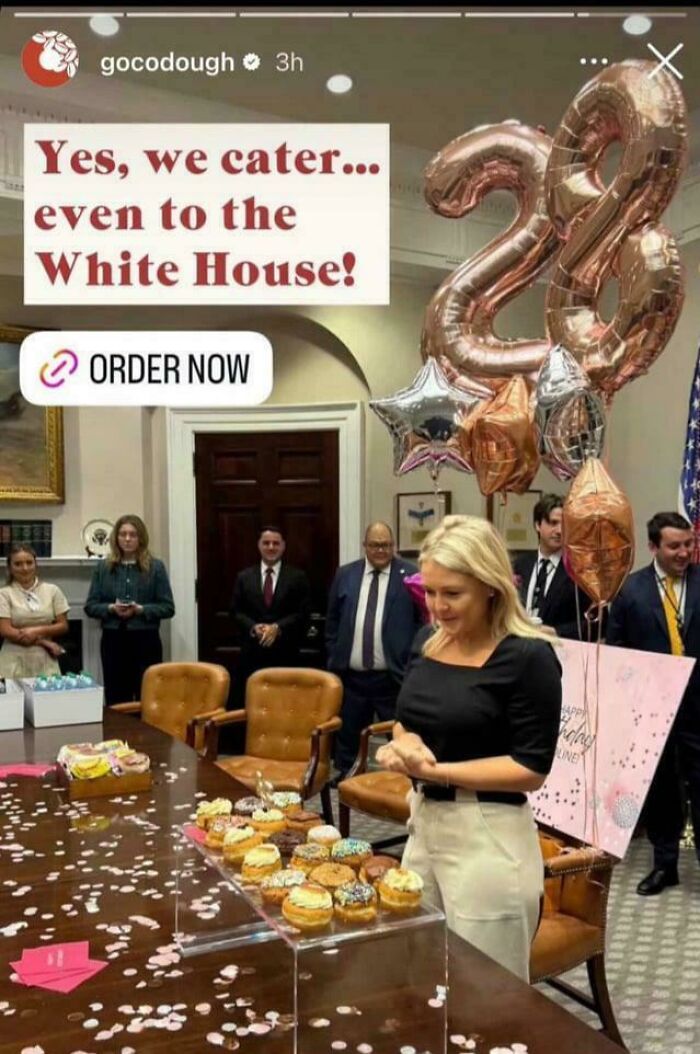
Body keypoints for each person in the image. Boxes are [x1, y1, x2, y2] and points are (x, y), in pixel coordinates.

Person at [377, 514, 561, 981]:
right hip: (424, 824)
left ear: (490, 586)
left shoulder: (528, 657)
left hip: (489, 837)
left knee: (487, 992)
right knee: (419, 973)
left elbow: (530, 767)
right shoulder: (429, 641)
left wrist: (436, 771)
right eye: (431, 591)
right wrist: (408, 743)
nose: (437, 606)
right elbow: (407, 719)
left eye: (452, 594)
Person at [606, 510, 700, 897]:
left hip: (698, 706)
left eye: (689, 544)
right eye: (674, 546)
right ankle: (665, 866)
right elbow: (617, 652)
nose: (684, 553)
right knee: (661, 790)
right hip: (651, 711)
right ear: (653, 547)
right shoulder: (631, 591)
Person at [325, 522, 426, 782]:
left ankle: (406, 779)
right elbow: (333, 620)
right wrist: (334, 652)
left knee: (400, 732)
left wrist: (413, 661)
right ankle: (347, 774)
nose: (381, 550)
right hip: (352, 675)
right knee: (349, 732)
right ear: (365, 546)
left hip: (392, 676)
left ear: (393, 546)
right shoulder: (346, 574)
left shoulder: (410, 575)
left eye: (386, 545)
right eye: (375, 545)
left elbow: (422, 621)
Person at [85, 515, 175, 705]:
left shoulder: (155, 567)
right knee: (116, 697)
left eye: (132, 535)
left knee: (147, 696)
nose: (127, 539)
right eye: (123, 534)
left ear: (141, 538)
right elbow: (90, 606)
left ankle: (147, 735)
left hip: (146, 641)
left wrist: (141, 609)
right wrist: (111, 608)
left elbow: (167, 607)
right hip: (113, 640)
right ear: (115, 538)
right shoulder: (103, 567)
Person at [230, 526, 311, 705]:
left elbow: (303, 613)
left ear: (283, 546)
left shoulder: (297, 577)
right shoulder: (244, 577)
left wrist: (278, 628)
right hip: (251, 657)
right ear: (259, 546)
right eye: (266, 543)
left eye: (276, 543)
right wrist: (253, 627)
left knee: (283, 706)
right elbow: (236, 612)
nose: (271, 547)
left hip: (286, 656)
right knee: (252, 706)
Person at [513, 492, 592, 639]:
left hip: (559, 651)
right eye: (553, 523)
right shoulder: (521, 564)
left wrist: (556, 632)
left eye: (564, 525)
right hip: (520, 649)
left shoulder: (578, 569)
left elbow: (595, 622)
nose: (560, 531)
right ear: (537, 525)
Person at [0, 544, 69, 677]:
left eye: (29, 563)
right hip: (12, 660)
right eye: (18, 564)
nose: (24, 568)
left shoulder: (52, 590)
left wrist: (35, 631)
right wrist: (44, 642)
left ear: (36, 564)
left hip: (45, 659)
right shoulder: (3, 594)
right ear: (10, 568)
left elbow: (63, 625)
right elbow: (5, 630)